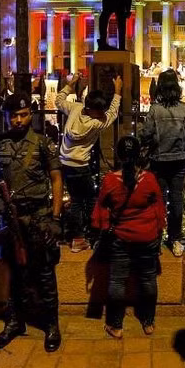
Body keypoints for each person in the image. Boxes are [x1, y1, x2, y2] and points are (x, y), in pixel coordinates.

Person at [0, 93, 64, 352]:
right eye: (14, 116)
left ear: (30, 115)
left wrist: (55, 218)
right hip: (12, 220)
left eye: (23, 115)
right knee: (16, 273)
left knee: (44, 274)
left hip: (38, 218)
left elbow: (56, 179)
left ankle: (51, 325)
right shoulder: (0, 143)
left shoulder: (42, 143)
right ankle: (14, 322)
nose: (18, 120)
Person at [92, 136, 166, 339]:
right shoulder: (149, 179)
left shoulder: (110, 181)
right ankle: (148, 322)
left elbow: (101, 208)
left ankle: (115, 325)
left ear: (118, 155)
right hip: (147, 237)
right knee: (148, 279)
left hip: (121, 237)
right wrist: (159, 232)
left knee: (117, 281)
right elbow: (159, 208)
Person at [55, 72, 122, 253]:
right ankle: (95, 234)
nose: (102, 114)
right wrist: (117, 91)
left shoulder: (76, 109)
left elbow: (59, 101)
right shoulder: (95, 123)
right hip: (81, 166)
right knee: (92, 199)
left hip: (65, 163)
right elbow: (113, 114)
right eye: (100, 111)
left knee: (76, 200)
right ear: (94, 110)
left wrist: (71, 84)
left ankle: (77, 237)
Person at [138, 69, 185, 257]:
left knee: (158, 200)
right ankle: (175, 238)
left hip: (159, 158)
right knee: (176, 199)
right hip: (179, 158)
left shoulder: (155, 110)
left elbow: (146, 133)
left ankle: (156, 238)